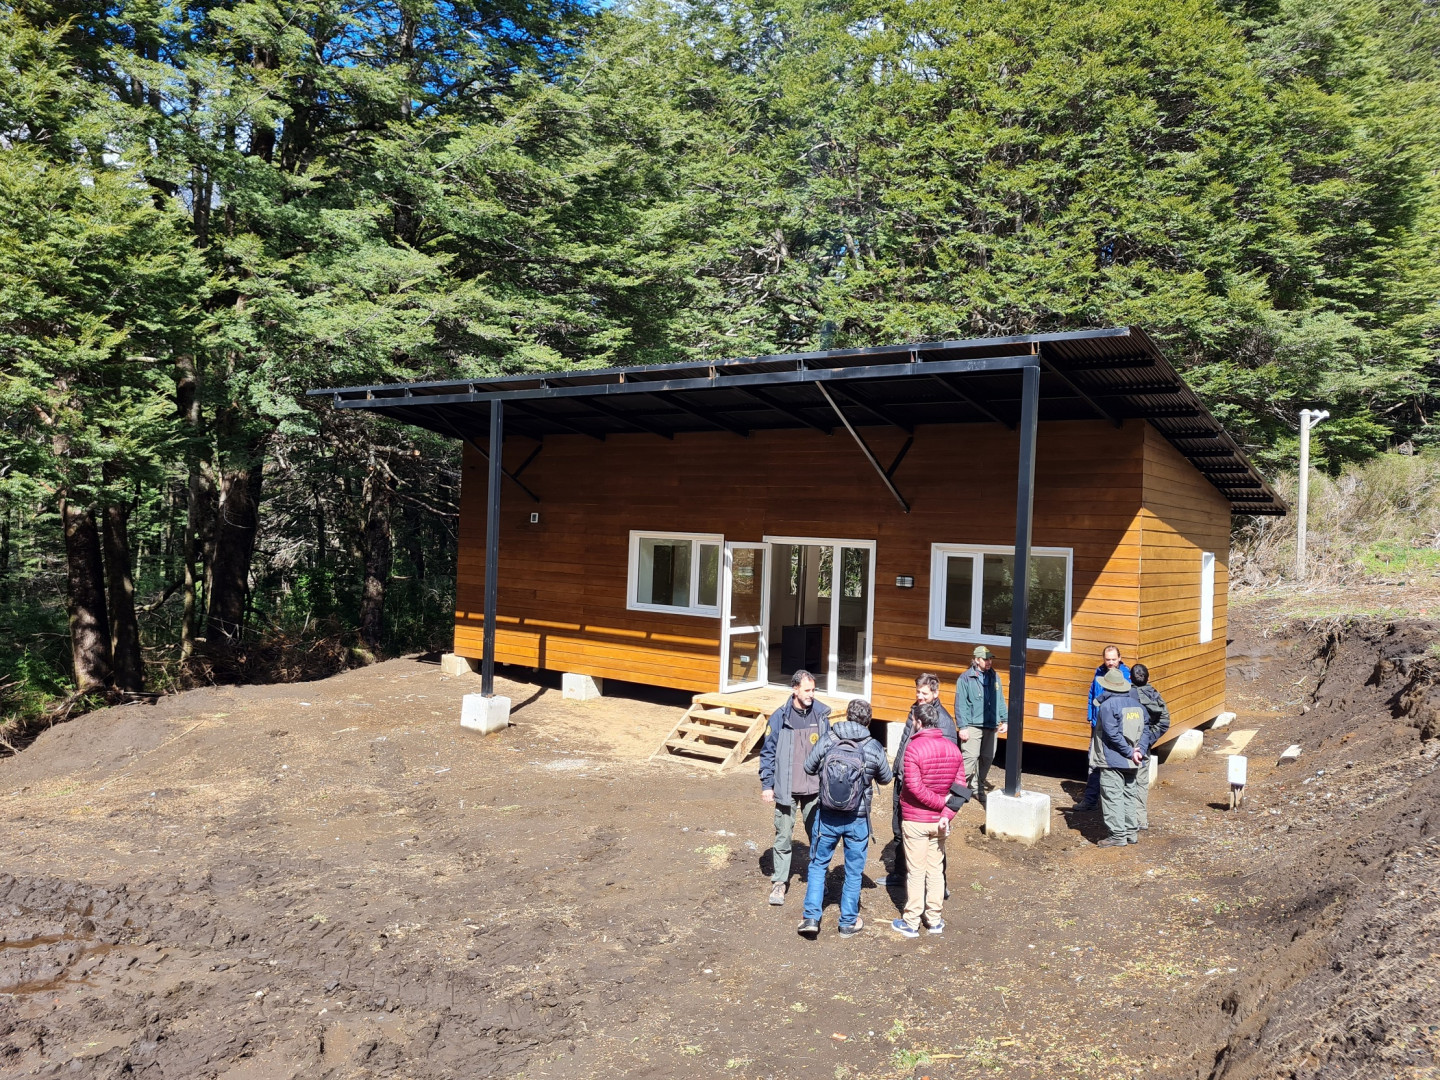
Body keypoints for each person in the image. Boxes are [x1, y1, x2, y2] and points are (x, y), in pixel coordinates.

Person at [796, 699, 893, 938]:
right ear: (868, 720)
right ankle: (848, 922)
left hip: (827, 814)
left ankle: (810, 917)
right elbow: (886, 778)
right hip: (857, 818)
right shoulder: (873, 747)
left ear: (847, 716)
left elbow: (809, 767)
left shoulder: (829, 739)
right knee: (853, 871)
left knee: (818, 864)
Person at [891, 702, 965, 938]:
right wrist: (946, 813)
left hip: (916, 819)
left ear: (919, 722)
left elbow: (913, 787)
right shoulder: (953, 749)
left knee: (916, 871)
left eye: (913, 720)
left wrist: (939, 804)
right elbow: (961, 788)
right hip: (940, 823)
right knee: (935, 870)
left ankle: (911, 921)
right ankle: (934, 920)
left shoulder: (913, 748)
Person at [758, 670, 832, 905]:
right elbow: (767, 752)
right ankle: (779, 883)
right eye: (807, 690)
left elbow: (829, 752)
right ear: (795, 689)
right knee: (783, 836)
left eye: (813, 690)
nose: (811, 694)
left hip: (814, 789)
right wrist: (767, 784)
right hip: (786, 788)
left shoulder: (821, 714)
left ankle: (819, 879)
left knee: (818, 836)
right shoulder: (779, 717)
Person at [885, 673, 960, 885]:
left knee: (934, 839)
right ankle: (901, 873)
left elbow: (948, 758)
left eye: (924, 693)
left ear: (936, 693)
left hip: (924, 787)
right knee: (899, 829)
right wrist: (896, 768)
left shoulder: (943, 720)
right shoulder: (914, 710)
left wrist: (938, 791)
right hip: (903, 779)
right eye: (918, 692)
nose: (920, 696)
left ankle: (938, 882)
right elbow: (904, 742)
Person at [1091, 666, 1147, 847]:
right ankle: (1131, 832)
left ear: (1107, 687)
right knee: (1129, 794)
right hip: (1133, 760)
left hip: (1112, 758)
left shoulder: (1107, 706)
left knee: (1112, 795)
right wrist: (1138, 751)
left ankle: (1117, 835)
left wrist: (1129, 751)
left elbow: (1111, 733)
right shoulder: (1137, 705)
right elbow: (1145, 730)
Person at [1077, 646, 1131, 811]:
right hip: (1097, 724)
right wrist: (1091, 717)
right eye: (1108, 659)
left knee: (1116, 761)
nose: (1111, 663)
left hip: (1116, 726)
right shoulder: (1098, 672)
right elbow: (1092, 694)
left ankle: (1116, 803)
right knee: (1094, 760)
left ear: (1119, 658)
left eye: (1114, 659)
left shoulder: (1126, 675)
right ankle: (1090, 800)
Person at [954, 645, 1007, 806]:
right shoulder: (965, 678)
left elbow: (1000, 699)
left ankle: (977, 787)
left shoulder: (994, 676)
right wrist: (962, 727)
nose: (989, 662)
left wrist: (1005, 720)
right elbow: (960, 704)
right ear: (976, 660)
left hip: (991, 724)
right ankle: (958, 790)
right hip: (972, 725)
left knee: (988, 757)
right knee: (969, 758)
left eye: (990, 659)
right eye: (985, 659)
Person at [1129, 663, 1170, 831]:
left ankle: (1129, 821)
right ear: (1148, 678)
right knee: (1141, 782)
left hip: (1125, 745)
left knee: (1125, 782)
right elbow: (1165, 721)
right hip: (1143, 746)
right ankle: (1141, 819)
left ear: (1130, 678)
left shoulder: (1125, 694)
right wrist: (1148, 740)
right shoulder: (1154, 695)